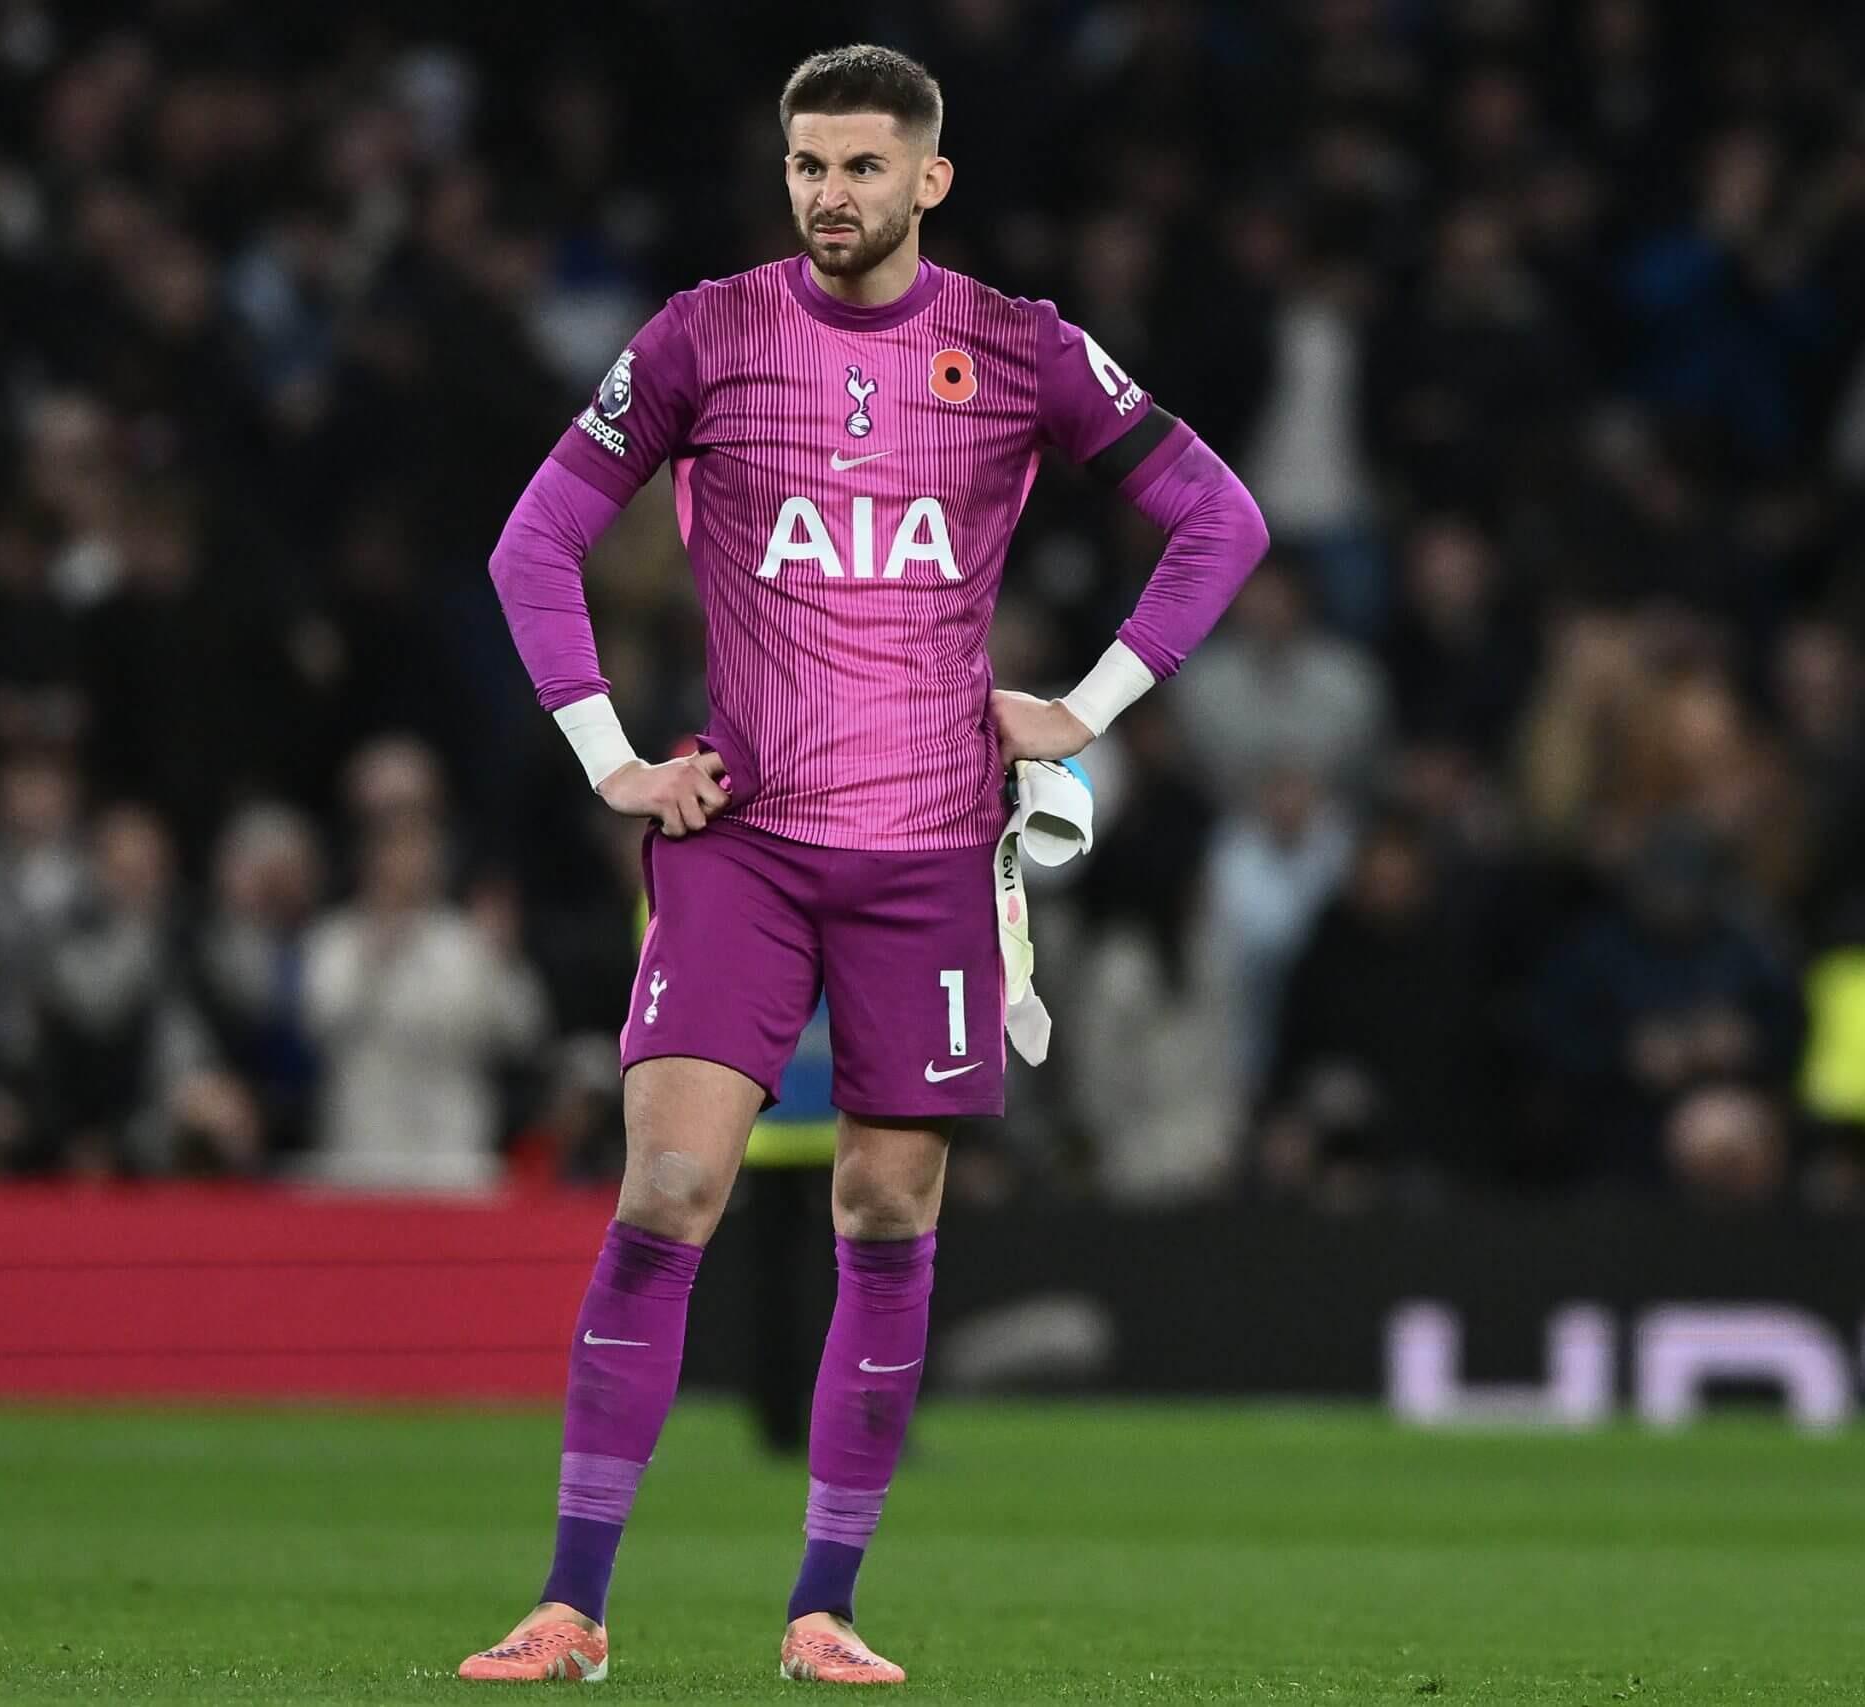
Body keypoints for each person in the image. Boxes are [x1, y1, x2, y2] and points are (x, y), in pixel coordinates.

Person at [462, 44, 1267, 1688]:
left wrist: (1089, 709)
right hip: (741, 841)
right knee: (668, 1186)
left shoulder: (1019, 348)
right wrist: (609, 759)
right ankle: (571, 1606)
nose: (831, 195)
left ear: (930, 180)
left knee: (886, 1208)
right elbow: (532, 539)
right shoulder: (703, 335)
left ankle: (823, 1606)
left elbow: (1221, 518)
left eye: (862, 167)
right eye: (808, 166)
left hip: (930, 854)